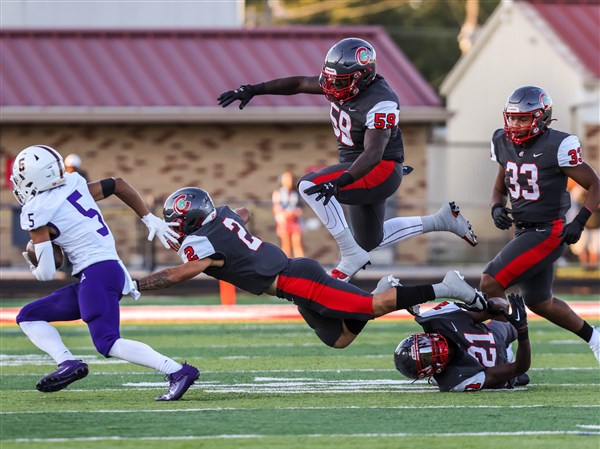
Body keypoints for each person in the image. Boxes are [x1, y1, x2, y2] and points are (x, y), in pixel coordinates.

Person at [218, 37, 478, 282]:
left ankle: (349, 254)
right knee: (369, 240)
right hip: (359, 167)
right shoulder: (339, 82)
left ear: (362, 77)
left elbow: (374, 152)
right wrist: (253, 90)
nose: (330, 87)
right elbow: (298, 84)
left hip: (380, 168)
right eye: (330, 80)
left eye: (339, 82)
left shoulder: (382, 101)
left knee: (308, 186)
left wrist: (341, 181)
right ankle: (442, 220)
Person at [134, 186, 487, 349]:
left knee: (372, 308)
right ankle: (381, 289)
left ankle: (447, 287)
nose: (176, 228)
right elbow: (243, 214)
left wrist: (136, 284)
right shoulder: (223, 217)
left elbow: (175, 275)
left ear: (192, 220)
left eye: (178, 222)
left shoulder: (201, 244)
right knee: (339, 339)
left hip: (297, 280)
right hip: (293, 281)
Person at [11, 144, 199, 401]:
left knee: (107, 342)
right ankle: (67, 363)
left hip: (97, 274)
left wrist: (34, 256)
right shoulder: (73, 183)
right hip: (103, 270)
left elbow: (45, 273)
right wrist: (147, 217)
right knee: (29, 316)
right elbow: (118, 184)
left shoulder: (37, 210)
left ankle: (177, 371)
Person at [481, 85, 600, 362]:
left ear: (542, 118)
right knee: (539, 302)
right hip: (523, 229)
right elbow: (499, 188)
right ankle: (595, 337)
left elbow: (595, 184)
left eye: (523, 118)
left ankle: (505, 350)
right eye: (512, 117)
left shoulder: (558, 145)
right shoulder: (502, 141)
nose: (515, 124)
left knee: (490, 282)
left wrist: (580, 221)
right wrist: (496, 206)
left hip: (548, 231)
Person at [394, 294, 530, 392]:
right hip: (500, 361)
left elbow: (502, 305)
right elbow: (519, 367)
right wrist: (523, 331)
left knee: (510, 322)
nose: (432, 349)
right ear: (427, 371)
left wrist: (486, 305)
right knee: (516, 375)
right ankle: (515, 379)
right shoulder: (455, 381)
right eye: (426, 357)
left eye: (425, 344)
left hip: (493, 334)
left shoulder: (438, 320)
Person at [272, 171, 304, 258]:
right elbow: (276, 207)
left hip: (295, 220)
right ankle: (285, 266)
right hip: (284, 221)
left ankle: (301, 264)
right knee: (286, 245)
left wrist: (294, 213)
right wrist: (282, 217)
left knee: (297, 243)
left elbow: (300, 208)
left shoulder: (295, 193)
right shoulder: (278, 193)